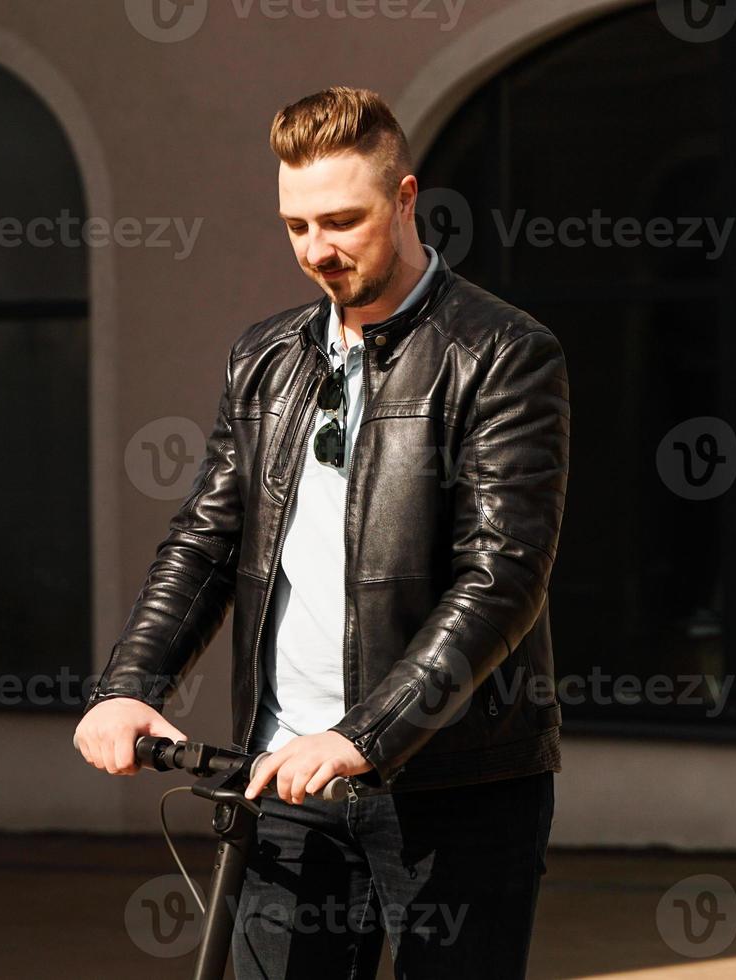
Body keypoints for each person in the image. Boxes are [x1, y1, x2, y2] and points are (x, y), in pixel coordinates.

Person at [73, 86, 570, 977]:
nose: (318, 251)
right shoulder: (265, 361)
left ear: (407, 199)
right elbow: (205, 540)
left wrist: (361, 738)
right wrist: (129, 683)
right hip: (283, 782)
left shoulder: (500, 353)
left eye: (343, 220)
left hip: (455, 790)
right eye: (297, 226)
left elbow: (502, 577)